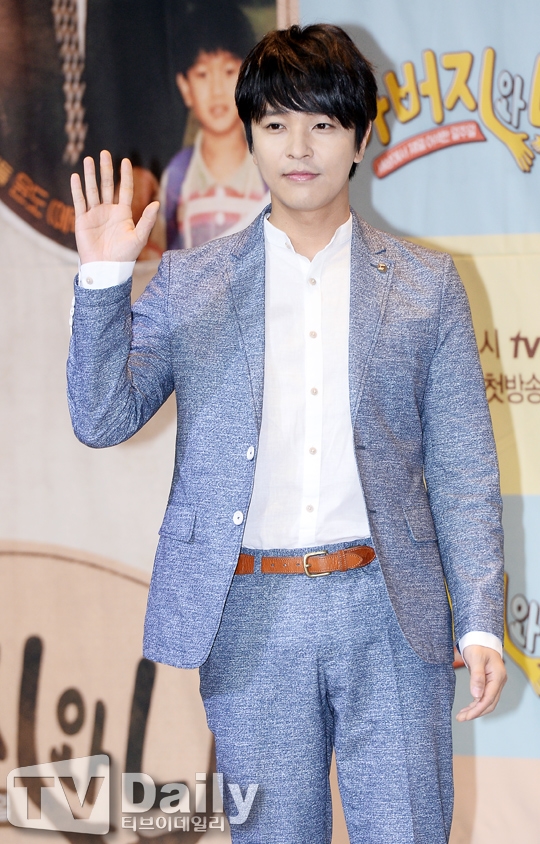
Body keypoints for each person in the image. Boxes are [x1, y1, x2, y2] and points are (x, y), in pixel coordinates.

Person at [67, 24, 506, 844]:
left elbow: (463, 466)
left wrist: (480, 619)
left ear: (361, 139)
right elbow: (100, 418)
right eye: (275, 124)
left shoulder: (426, 285)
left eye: (323, 124)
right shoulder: (193, 281)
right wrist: (102, 279)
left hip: (390, 608)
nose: (298, 148)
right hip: (250, 612)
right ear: (249, 135)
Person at [158, 0, 269, 250]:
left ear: (249, 79)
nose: (217, 90)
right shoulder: (177, 176)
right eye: (202, 74)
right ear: (185, 87)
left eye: (229, 72)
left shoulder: (269, 169)